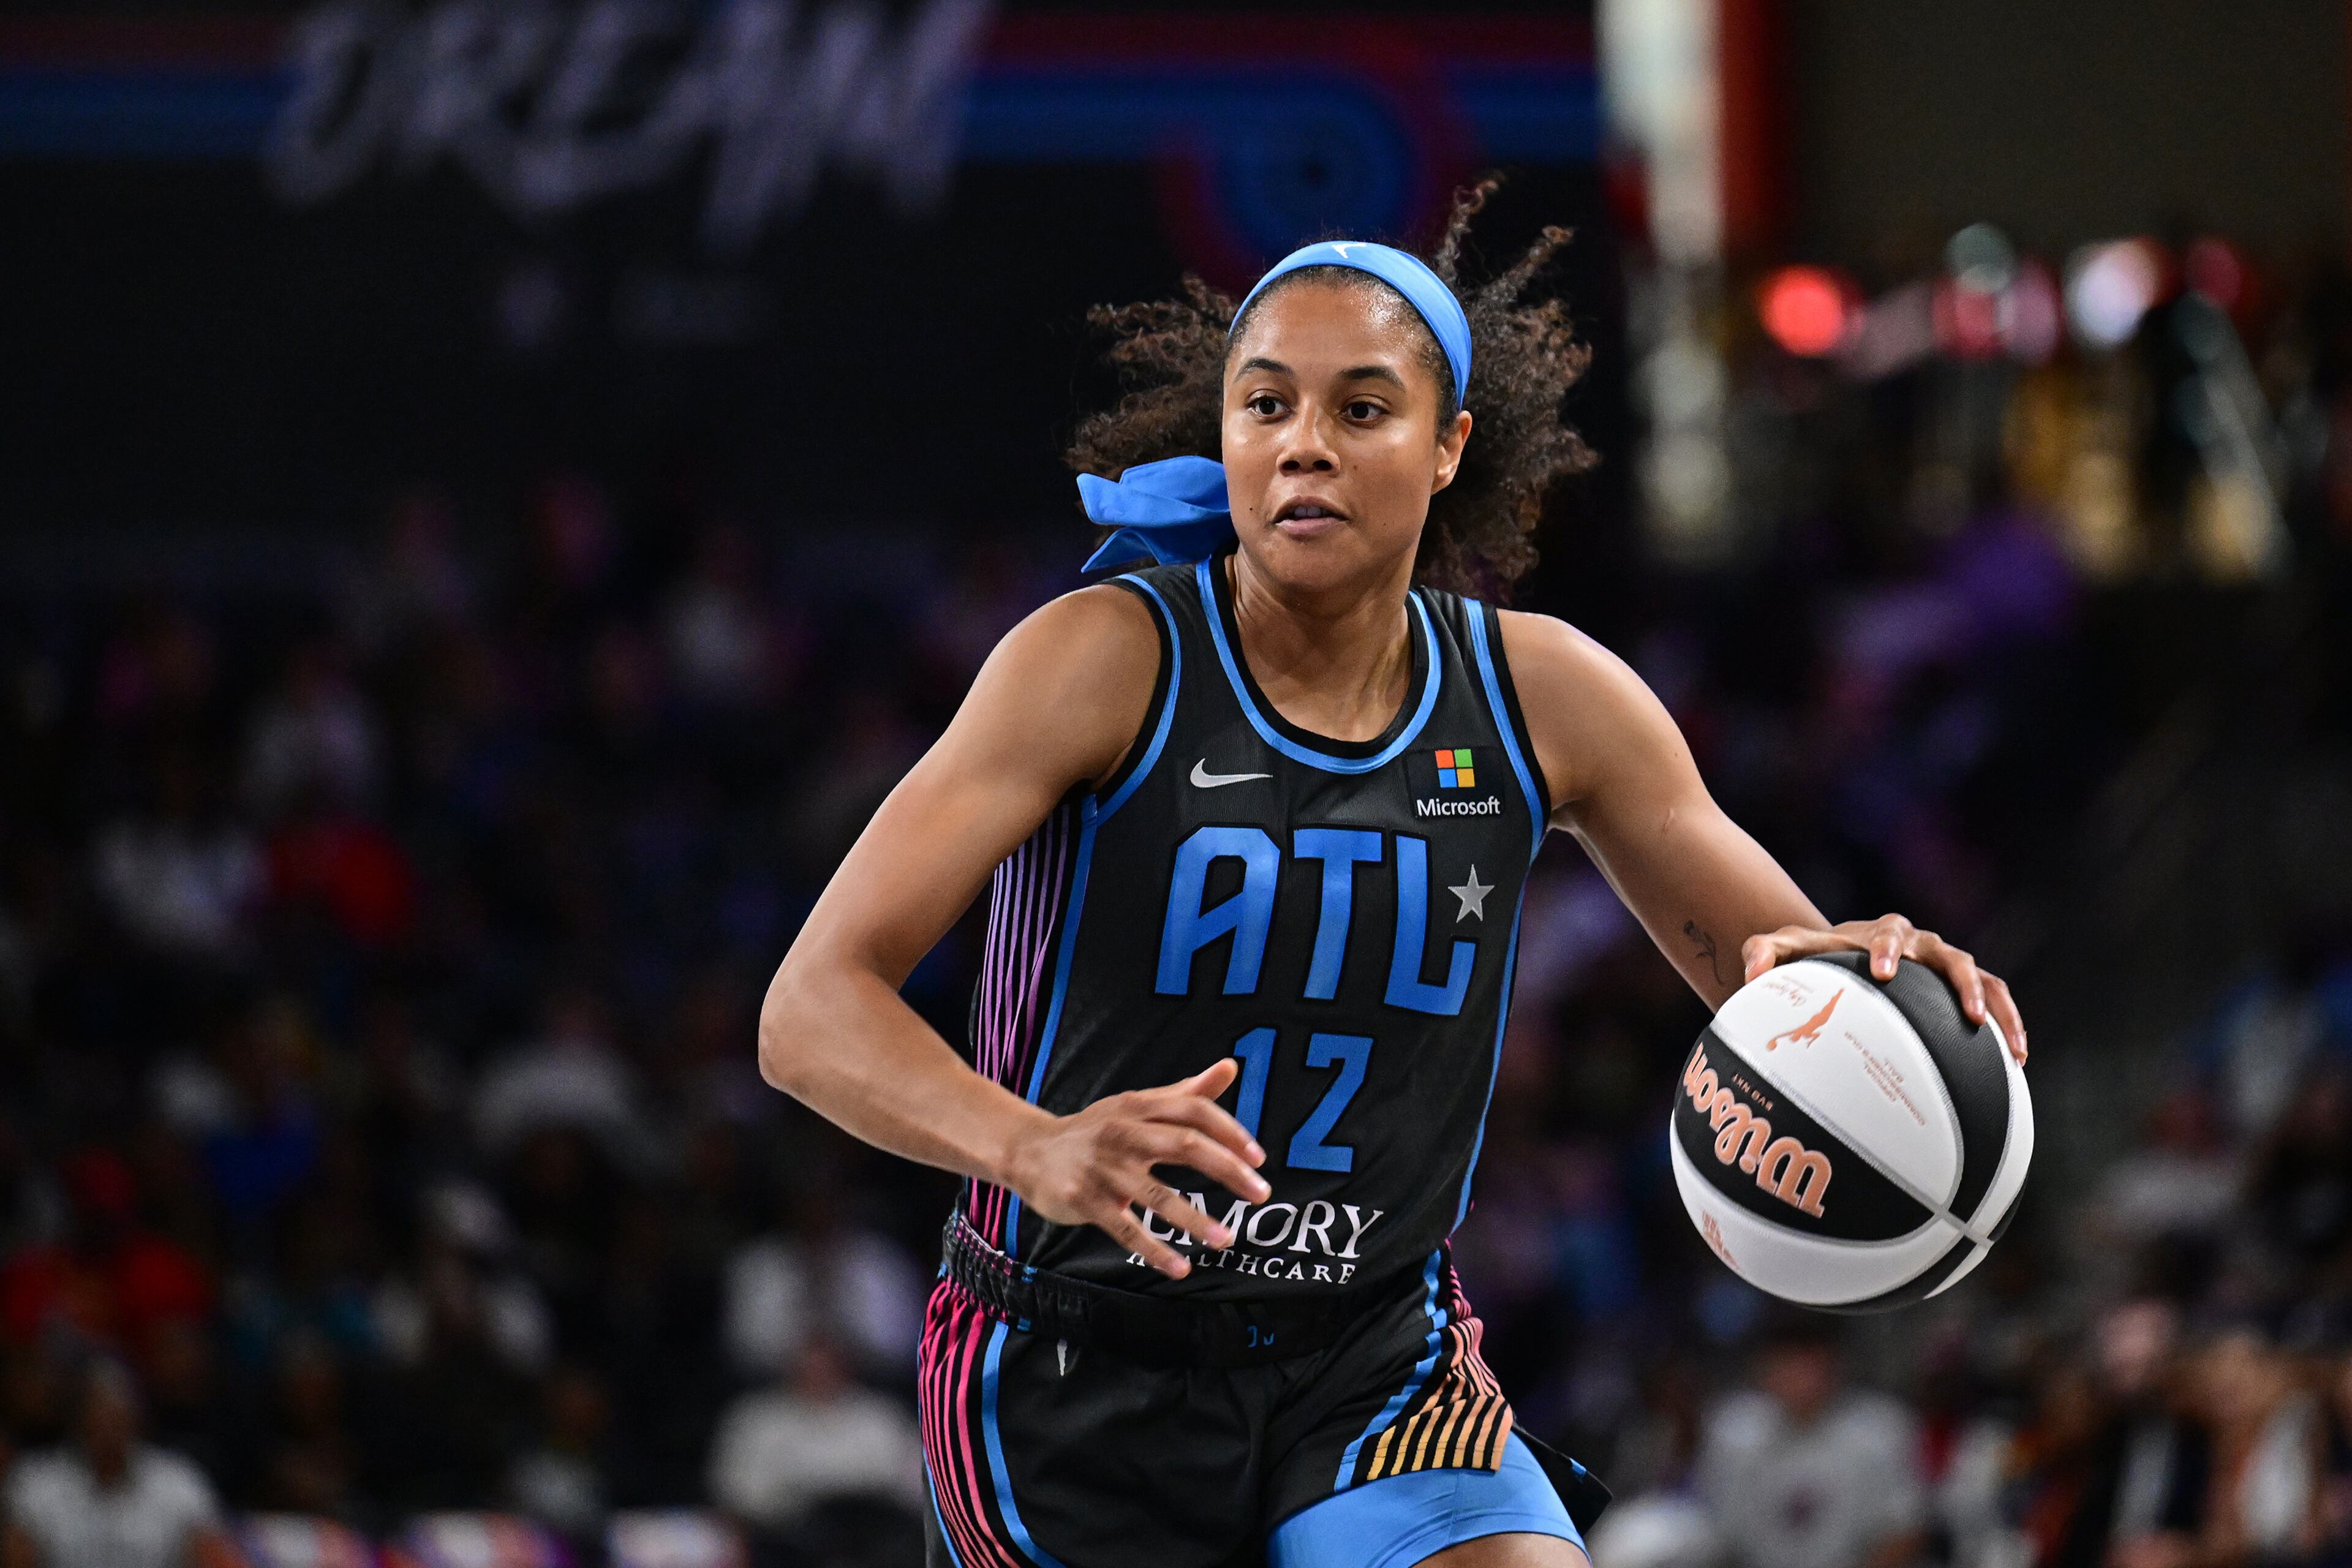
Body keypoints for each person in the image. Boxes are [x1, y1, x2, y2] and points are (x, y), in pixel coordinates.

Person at [756, 181, 2030, 1568]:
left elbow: (1772, 970)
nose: (1303, 444)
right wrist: (1031, 1142)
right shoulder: (1100, 657)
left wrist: (1874, 988)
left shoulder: (1544, 694)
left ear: (1446, 447)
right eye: (1265, 405)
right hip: (1072, 1361)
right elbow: (809, 1007)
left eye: (1360, 408)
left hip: (1373, 1355)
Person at [1695, 1319, 1926, 1568]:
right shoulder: (1733, 1432)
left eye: (1808, 1362)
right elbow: (1719, 1537)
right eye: (1786, 1362)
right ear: (1762, 1369)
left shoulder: (1881, 1429)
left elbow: (1905, 1530)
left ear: (1836, 1365)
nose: (1797, 1376)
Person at [1, 1360, 246, 1568]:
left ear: (137, 1419)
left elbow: (216, 1556)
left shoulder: (177, 1479)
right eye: (99, 1414)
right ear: (78, 1420)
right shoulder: (35, 1482)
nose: (110, 1427)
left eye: (118, 1415)